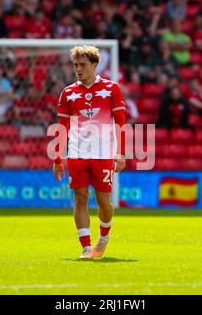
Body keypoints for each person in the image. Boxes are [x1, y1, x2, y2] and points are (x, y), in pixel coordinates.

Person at [52, 45, 126, 259]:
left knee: (104, 201)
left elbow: (120, 123)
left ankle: (103, 236)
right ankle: (85, 247)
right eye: (76, 65)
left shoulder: (111, 89)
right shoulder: (68, 92)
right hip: (77, 154)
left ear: (95, 65)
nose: (78, 69)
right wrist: (58, 157)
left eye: (83, 64)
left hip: (103, 154)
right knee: (80, 197)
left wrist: (120, 153)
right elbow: (62, 127)